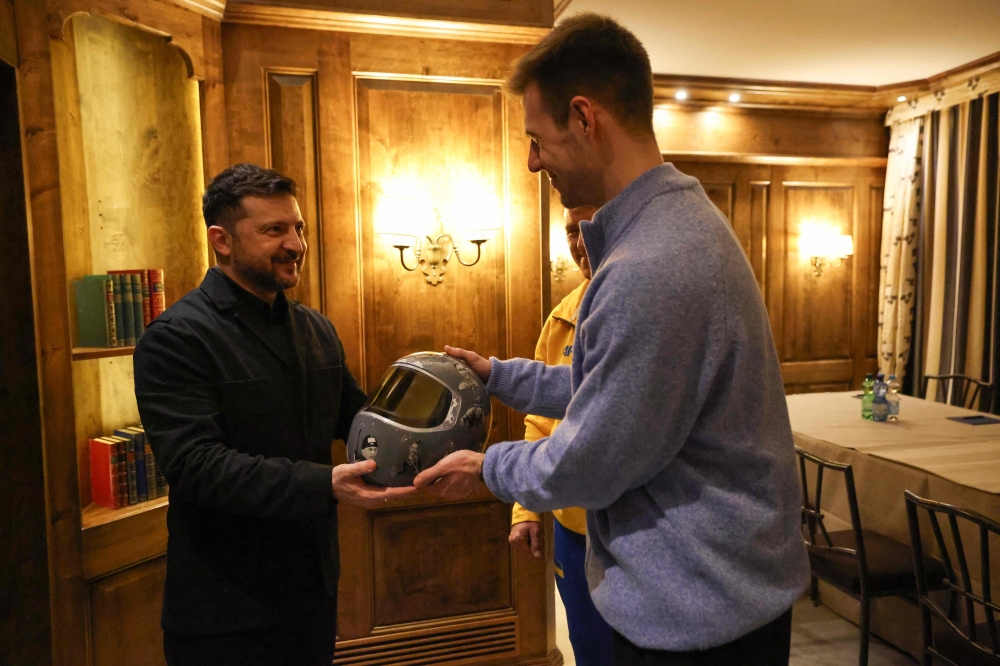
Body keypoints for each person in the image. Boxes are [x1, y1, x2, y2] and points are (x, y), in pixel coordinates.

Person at [414, 13, 810, 666]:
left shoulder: (648, 265)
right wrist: (501, 374)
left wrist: (486, 469)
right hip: (715, 608)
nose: (531, 160)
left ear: (584, 117)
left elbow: (594, 461)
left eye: (537, 138)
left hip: (697, 627)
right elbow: (628, 388)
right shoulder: (676, 223)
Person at [133, 164, 414, 666]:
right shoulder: (176, 337)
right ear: (222, 240)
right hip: (224, 609)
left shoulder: (315, 328)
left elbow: (359, 420)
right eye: (274, 230)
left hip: (311, 593)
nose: (296, 243)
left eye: (298, 228)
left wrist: (436, 404)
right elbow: (196, 466)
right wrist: (325, 483)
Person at [510, 205, 613, 666]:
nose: (578, 242)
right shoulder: (561, 318)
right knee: (589, 646)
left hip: (633, 530)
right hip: (573, 529)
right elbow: (539, 421)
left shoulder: (646, 306)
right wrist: (526, 506)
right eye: (571, 231)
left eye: (587, 229)